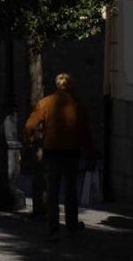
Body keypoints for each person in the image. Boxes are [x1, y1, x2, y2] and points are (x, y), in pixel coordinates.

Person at [25, 73, 96, 241]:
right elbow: (84, 133)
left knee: (53, 191)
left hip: (52, 152)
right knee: (71, 190)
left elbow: (30, 125)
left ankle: (53, 227)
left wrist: (30, 139)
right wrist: (90, 155)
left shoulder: (46, 102)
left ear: (57, 86)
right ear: (71, 86)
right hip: (71, 152)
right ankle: (71, 225)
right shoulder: (77, 105)